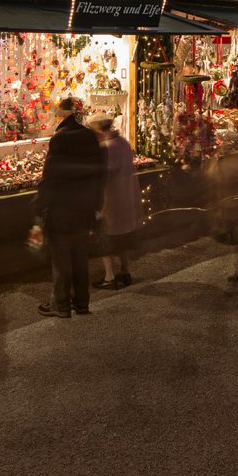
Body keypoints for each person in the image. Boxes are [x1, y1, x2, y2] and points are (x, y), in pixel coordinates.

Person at [35, 97, 105, 318]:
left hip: (61, 211)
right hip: (84, 209)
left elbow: (49, 178)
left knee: (61, 258)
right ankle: (82, 303)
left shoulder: (60, 141)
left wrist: (40, 207)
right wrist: (96, 205)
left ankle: (62, 305)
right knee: (80, 256)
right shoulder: (89, 139)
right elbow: (99, 175)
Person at [91, 116, 142, 290]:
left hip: (110, 199)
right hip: (126, 197)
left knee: (106, 239)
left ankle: (109, 276)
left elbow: (104, 174)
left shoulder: (105, 148)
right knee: (123, 238)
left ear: (98, 130)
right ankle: (125, 271)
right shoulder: (123, 143)